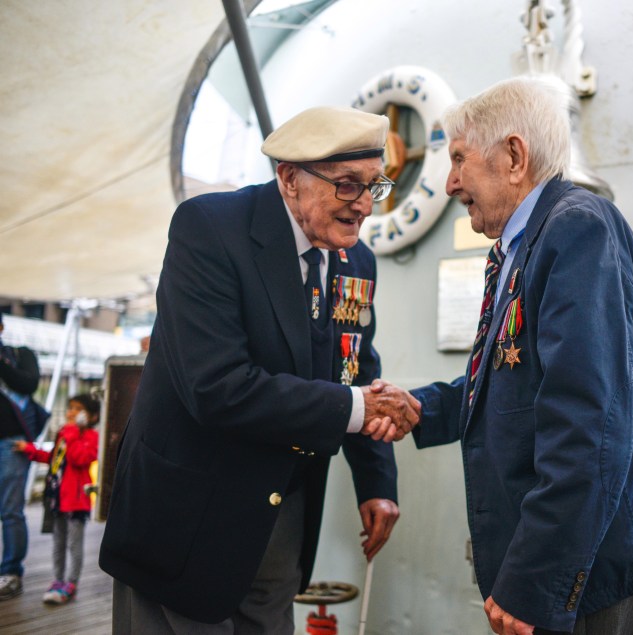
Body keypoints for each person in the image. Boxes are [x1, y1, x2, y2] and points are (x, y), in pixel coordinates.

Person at [99, 106, 421, 633]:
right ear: (290, 179)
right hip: (187, 515)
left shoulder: (356, 260)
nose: (364, 205)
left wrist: (376, 483)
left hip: (283, 515)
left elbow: (357, 366)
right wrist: (360, 409)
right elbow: (217, 387)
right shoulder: (209, 228)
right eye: (346, 185)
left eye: (373, 185)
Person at [409, 76, 633, 635]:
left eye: (460, 160)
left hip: (592, 557)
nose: (449, 183)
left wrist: (534, 578)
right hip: (575, 545)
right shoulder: (525, 245)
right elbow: (509, 381)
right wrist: (418, 407)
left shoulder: (576, 230)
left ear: (513, 157)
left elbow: (589, 424)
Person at [15, 392, 100, 605]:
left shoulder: (90, 437)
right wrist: (30, 450)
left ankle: (71, 582)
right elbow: (54, 459)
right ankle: (58, 580)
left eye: (78, 409)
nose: (71, 412)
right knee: (58, 542)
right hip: (57, 500)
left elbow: (79, 459)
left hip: (76, 502)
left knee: (74, 544)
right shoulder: (65, 434)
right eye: (70, 408)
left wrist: (71, 434)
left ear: (92, 417)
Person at [0, 312, 49, 601]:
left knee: (10, 510)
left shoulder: (20, 354)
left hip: (11, 443)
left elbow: (28, 384)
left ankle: (10, 572)